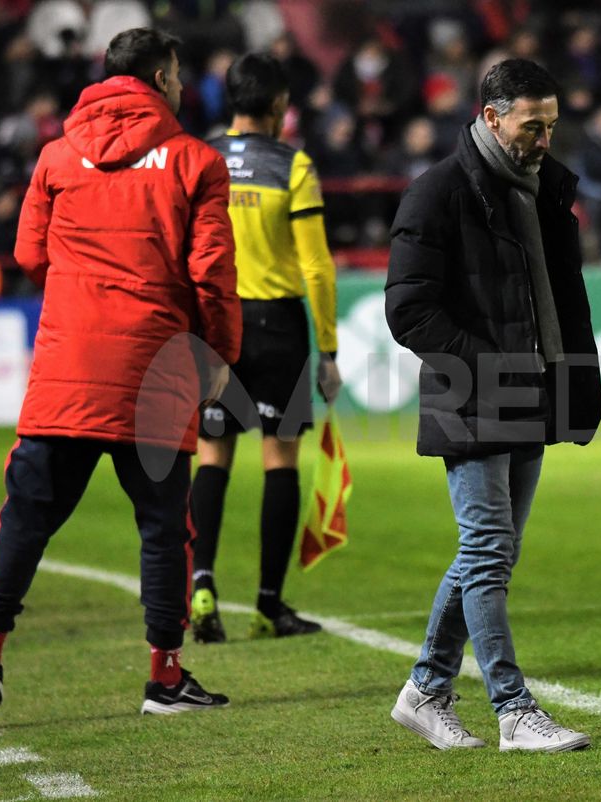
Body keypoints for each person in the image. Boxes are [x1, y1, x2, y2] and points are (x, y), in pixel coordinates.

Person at [0, 27, 241, 724]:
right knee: (165, 529)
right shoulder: (194, 161)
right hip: (155, 370)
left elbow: (28, 253)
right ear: (161, 77)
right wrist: (219, 358)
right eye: (173, 74)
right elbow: (211, 277)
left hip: (68, 367)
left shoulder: (56, 156)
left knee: (25, 518)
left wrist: (84, 297)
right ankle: (164, 678)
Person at [384, 58, 601, 752]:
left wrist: (572, 381)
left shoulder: (540, 191)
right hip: (472, 396)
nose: (544, 139)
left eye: (551, 125)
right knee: (486, 549)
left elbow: (560, 302)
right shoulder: (438, 194)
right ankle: (513, 710)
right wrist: (492, 366)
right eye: (532, 125)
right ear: (491, 116)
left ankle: (425, 689)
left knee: (490, 554)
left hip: (530, 393)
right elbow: (409, 311)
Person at [189, 52, 342, 644]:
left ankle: (201, 589)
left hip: (213, 323)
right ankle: (268, 606)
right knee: (280, 459)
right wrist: (327, 348)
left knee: (212, 455)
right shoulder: (293, 165)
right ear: (279, 105)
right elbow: (317, 266)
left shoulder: (199, 158)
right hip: (277, 325)